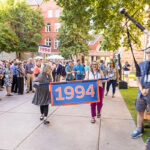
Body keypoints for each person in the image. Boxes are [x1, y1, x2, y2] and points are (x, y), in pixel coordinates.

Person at [130, 49, 150, 143]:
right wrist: (142, 89)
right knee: (140, 110)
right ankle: (139, 130)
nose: (149, 54)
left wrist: (148, 89)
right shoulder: (141, 64)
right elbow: (137, 78)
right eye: (148, 52)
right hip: (141, 93)